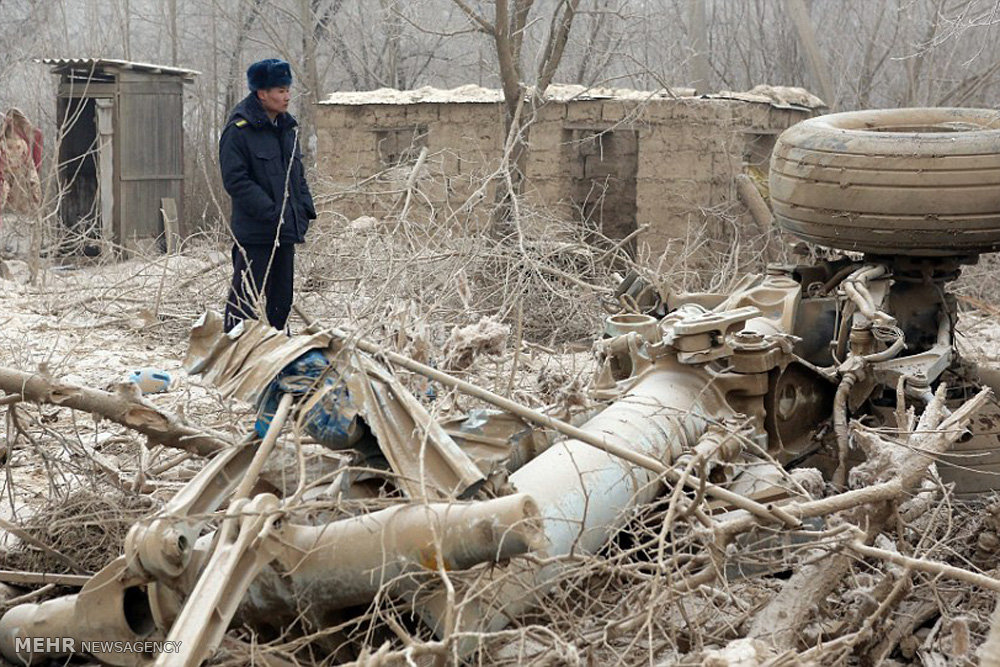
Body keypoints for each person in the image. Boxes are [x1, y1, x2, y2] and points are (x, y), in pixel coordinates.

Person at [220, 58, 316, 332]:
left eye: (288, 90)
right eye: (280, 91)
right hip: (256, 233)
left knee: (281, 301)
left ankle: (276, 356)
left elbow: (296, 176)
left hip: (285, 230)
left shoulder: (288, 129)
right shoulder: (239, 130)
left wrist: (305, 210)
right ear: (262, 93)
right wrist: (272, 213)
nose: (287, 96)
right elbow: (236, 181)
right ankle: (234, 356)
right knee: (244, 301)